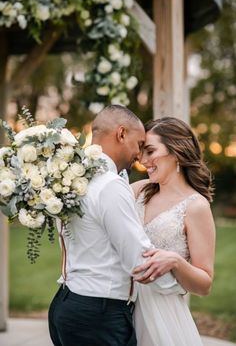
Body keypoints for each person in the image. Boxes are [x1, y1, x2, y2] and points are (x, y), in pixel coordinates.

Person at [48, 106, 185, 346]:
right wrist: (177, 287)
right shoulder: (109, 184)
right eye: (139, 143)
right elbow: (139, 260)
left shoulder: (71, 177)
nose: (140, 155)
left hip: (66, 303)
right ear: (121, 134)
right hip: (99, 317)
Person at [131, 117, 216, 346]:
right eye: (141, 152)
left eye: (150, 151)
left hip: (162, 317)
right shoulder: (139, 190)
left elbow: (204, 284)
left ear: (176, 151)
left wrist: (176, 262)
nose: (143, 160)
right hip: (121, 307)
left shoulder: (195, 206)